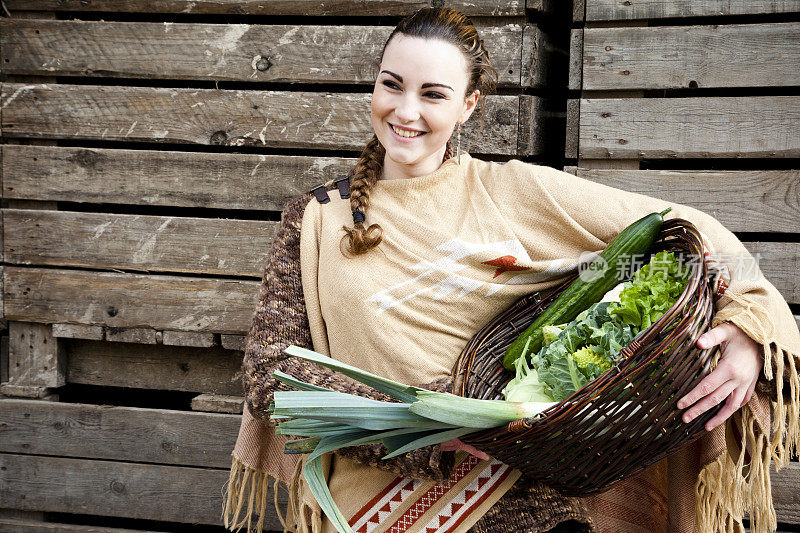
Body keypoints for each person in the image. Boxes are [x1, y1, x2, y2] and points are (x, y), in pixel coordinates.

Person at [223, 8, 800, 533]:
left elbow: (697, 232)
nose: (405, 112)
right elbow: (272, 374)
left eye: (433, 94)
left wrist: (752, 327)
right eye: (391, 85)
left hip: (527, 508)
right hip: (368, 512)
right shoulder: (317, 220)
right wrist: (430, 427)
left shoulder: (513, 192)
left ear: (468, 105)